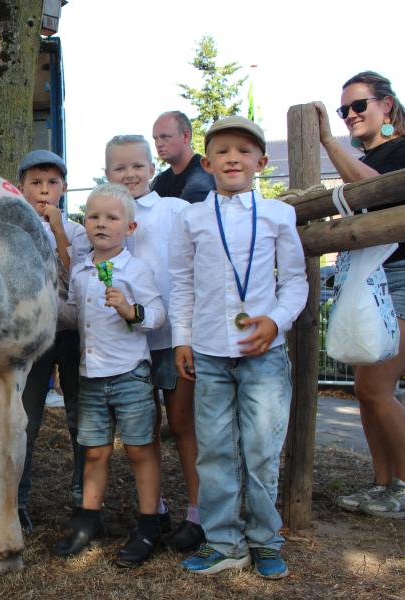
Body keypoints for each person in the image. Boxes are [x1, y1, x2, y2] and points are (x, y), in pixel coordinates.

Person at [170, 116, 307, 578]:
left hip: (263, 354)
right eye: (223, 151)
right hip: (209, 351)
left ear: (261, 163)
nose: (233, 159)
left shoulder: (277, 215)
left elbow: (295, 281)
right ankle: (225, 541)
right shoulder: (191, 218)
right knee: (214, 450)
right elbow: (181, 283)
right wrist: (182, 340)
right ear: (207, 163)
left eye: (244, 151)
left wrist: (276, 320)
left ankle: (265, 538)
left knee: (262, 449)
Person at [54, 183, 165, 567]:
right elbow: (74, 314)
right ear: (84, 223)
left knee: (139, 449)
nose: (101, 224)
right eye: (93, 217)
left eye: (111, 218)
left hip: (130, 374)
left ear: (129, 228)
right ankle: (89, 519)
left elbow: (157, 315)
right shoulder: (82, 270)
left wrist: (131, 311)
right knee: (95, 450)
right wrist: (49, 308)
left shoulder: (136, 270)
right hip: (92, 377)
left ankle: (149, 523)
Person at [103, 135, 202, 551]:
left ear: (151, 168)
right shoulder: (104, 216)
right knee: (143, 430)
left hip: (170, 338)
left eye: (137, 166)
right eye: (120, 168)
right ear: (107, 173)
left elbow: (192, 269)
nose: (130, 174)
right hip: (128, 344)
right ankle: (154, 510)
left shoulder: (173, 210)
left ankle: (198, 513)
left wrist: (187, 334)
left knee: (182, 425)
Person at [313, 71, 405, 518]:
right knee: (366, 389)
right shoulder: (372, 155)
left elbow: (376, 190)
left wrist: (328, 142)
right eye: (343, 109)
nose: (350, 114)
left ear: (386, 105)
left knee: (375, 386)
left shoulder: (401, 150)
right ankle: (384, 483)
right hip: (372, 278)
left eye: (358, 105)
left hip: (400, 278)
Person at [14, 150, 88, 533]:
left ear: (64, 187)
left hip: (72, 334)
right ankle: (17, 502)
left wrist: (59, 231)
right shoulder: (14, 231)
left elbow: (79, 280)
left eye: (52, 183)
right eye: (36, 183)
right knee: (25, 421)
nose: (44, 190)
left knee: (80, 419)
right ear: (21, 188)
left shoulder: (77, 231)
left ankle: (83, 501)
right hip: (31, 338)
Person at [151, 111, 215, 204]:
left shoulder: (203, 173)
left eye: (165, 137)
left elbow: (188, 211)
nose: (158, 144)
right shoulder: (160, 181)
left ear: (185, 136)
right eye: (155, 139)